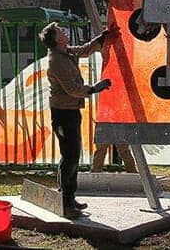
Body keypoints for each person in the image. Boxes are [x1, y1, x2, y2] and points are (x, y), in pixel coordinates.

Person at [41, 21, 115, 218]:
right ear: (56, 39)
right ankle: (66, 203)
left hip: (71, 111)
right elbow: (72, 89)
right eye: (61, 31)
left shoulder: (65, 52)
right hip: (63, 114)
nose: (65, 32)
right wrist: (94, 88)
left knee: (72, 155)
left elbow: (84, 50)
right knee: (70, 156)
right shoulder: (56, 60)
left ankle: (68, 198)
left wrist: (101, 39)